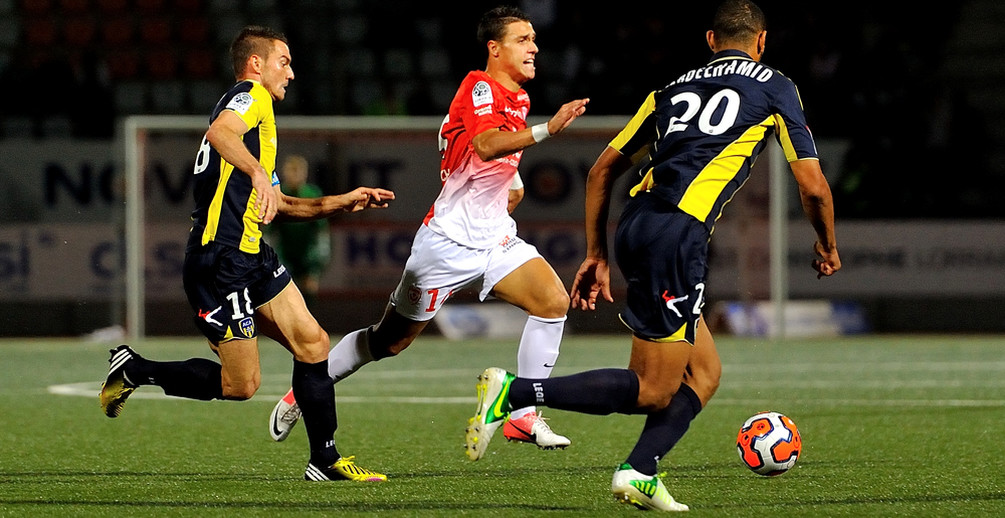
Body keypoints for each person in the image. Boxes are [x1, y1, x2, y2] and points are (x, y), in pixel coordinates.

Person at [465, 0, 841, 511]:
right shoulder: (774, 85)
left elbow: (601, 171)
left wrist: (596, 253)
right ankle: (515, 394)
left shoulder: (671, 89)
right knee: (653, 390)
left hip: (637, 224)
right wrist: (826, 244)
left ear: (710, 41)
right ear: (762, 41)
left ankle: (640, 470)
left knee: (704, 374)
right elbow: (813, 187)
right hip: (677, 236)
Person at [268, 6, 590, 451]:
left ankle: (522, 415)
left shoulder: (517, 97)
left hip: (495, 238)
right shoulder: (479, 85)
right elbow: (483, 143)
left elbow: (485, 156)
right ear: (495, 49)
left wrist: (508, 186)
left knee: (553, 302)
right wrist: (546, 131)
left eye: (534, 38)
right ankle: (304, 389)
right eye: (523, 40)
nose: (534, 47)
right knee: (389, 341)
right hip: (446, 245)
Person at [99, 26, 395, 482]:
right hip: (220, 261)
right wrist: (258, 171)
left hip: (251, 253)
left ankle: (325, 459)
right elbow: (219, 133)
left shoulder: (261, 128)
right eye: (284, 61)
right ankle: (136, 368)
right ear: (256, 63)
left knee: (313, 343)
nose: (291, 73)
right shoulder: (249, 96)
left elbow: (282, 206)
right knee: (242, 385)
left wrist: (340, 201)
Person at [269, 155, 330, 310]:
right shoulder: (279, 193)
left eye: (298, 172)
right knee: (286, 289)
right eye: (291, 172)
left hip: (307, 251)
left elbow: (321, 226)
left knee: (309, 286)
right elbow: (269, 227)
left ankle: (309, 318)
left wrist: (323, 248)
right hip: (285, 250)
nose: (294, 176)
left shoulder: (312, 193)